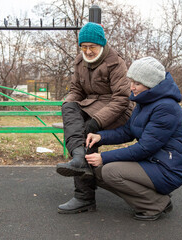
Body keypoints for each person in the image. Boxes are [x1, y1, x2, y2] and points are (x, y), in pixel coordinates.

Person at [84, 56, 182, 221]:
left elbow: (144, 148)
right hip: (151, 163)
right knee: (97, 173)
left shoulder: (166, 107)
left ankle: (155, 204)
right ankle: (153, 198)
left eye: (137, 83)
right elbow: (128, 132)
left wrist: (103, 157)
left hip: (167, 169)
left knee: (110, 171)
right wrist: (100, 137)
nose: (131, 87)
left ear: (151, 84)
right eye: (131, 81)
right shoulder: (144, 102)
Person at [56, 22, 134, 213]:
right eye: (84, 47)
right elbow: (76, 90)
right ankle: (79, 157)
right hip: (91, 106)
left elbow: (122, 99)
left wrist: (96, 121)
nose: (88, 51)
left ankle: (84, 197)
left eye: (92, 47)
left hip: (118, 111)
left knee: (85, 128)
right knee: (68, 107)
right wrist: (69, 105)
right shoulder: (79, 61)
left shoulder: (115, 62)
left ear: (101, 44)